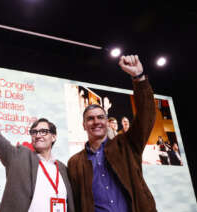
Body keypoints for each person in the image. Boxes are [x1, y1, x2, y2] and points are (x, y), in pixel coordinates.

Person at [67, 55, 157, 212]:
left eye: (100, 117)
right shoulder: (75, 163)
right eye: (90, 119)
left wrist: (139, 78)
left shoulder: (126, 145)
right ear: (83, 125)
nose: (96, 122)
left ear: (107, 122)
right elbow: (76, 203)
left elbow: (146, 116)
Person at [0, 73, 75, 212]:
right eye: (34, 132)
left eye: (43, 131)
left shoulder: (63, 169)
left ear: (54, 137)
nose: (38, 135)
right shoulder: (19, 156)